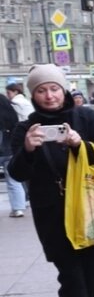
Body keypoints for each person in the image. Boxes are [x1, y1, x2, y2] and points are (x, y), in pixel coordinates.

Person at [7, 64, 94, 297]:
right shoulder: (26, 127)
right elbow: (16, 173)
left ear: (63, 89)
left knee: (90, 277)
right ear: (33, 95)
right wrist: (27, 149)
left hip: (88, 208)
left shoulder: (85, 117)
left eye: (54, 88)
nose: (49, 95)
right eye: (41, 90)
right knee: (72, 279)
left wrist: (79, 145)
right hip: (52, 215)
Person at [4, 81, 30, 218]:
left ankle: (20, 204)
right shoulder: (24, 102)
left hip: (18, 140)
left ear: (15, 92)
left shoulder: (15, 103)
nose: (8, 96)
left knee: (14, 178)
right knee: (14, 179)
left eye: (9, 92)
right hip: (11, 146)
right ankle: (20, 206)